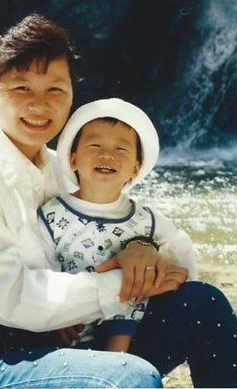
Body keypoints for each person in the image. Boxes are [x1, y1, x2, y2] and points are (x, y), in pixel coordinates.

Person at [0, 13, 237, 388]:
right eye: (22, 89)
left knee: (203, 305)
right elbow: (11, 299)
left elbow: (115, 227)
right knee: (129, 381)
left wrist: (141, 249)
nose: (39, 105)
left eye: (55, 90)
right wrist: (129, 286)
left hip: (68, 334)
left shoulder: (59, 169)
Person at [38, 98, 198, 353]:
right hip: (71, 325)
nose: (107, 155)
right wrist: (52, 315)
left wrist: (179, 278)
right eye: (95, 145)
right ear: (73, 159)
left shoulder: (146, 219)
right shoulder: (53, 214)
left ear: (135, 168)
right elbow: (42, 266)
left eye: (121, 149)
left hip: (128, 332)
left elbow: (179, 247)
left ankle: (119, 364)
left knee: (125, 314)